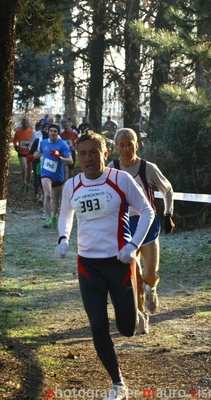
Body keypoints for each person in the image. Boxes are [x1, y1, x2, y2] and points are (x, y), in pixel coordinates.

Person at [55, 131, 154, 400]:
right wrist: (63, 238)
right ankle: (118, 383)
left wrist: (133, 246)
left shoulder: (119, 179)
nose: (88, 158)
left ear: (105, 155)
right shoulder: (72, 185)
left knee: (126, 329)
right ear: (78, 157)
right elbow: (65, 213)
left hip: (119, 263)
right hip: (88, 266)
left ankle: (136, 309)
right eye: (83, 154)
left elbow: (147, 212)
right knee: (98, 326)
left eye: (94, 153)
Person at [108, 128, 175, 314]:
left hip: (147, 223)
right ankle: (140, 316)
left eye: (130, 144)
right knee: (134, 275)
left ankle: (151, 289)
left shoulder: (148, 168)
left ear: (137, 145)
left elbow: (167, 189)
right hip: (124, 224)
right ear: (116, 148)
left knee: (149, 274)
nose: (126, 149)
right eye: (122, 145)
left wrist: (168, 213)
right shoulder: (111, 168)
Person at [26, 124, 73, 228]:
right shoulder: (43, 143)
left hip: (58, 175)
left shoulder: (62, 144)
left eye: (55, 131)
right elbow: (40, 153)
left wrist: (59, 157)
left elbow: (70, 161)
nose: (52, 133)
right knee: (47, 195)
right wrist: (32, 157)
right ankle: (47, 218)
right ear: (48, 132)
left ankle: (54, 216)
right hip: (46, 173)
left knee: (56, 200)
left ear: (58, 133)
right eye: (51, 131)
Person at [28, 123, 49, 201]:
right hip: (38, 162)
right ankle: (37, 193)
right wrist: (30, 157)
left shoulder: (54, 141)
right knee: (38, 178)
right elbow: (31, 151)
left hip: (49, 163)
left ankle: (46, 195)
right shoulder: (38, 140)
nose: (46, 131)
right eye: (45, 129)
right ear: (42, 130)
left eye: (48, 130)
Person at [13, 116, 34, 192]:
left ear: (28, 123)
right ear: (22, 123)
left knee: (29, 170)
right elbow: (14, 139)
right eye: (24, 123)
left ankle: (28, 184)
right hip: (21, 152)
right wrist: (15, 146)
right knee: (24, 168)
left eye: (26, 123)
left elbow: (34, 142)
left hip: (29, 153)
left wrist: (31, 148)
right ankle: (24, 182)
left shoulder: (31, 132)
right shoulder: (18, 131)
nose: (25, 124)